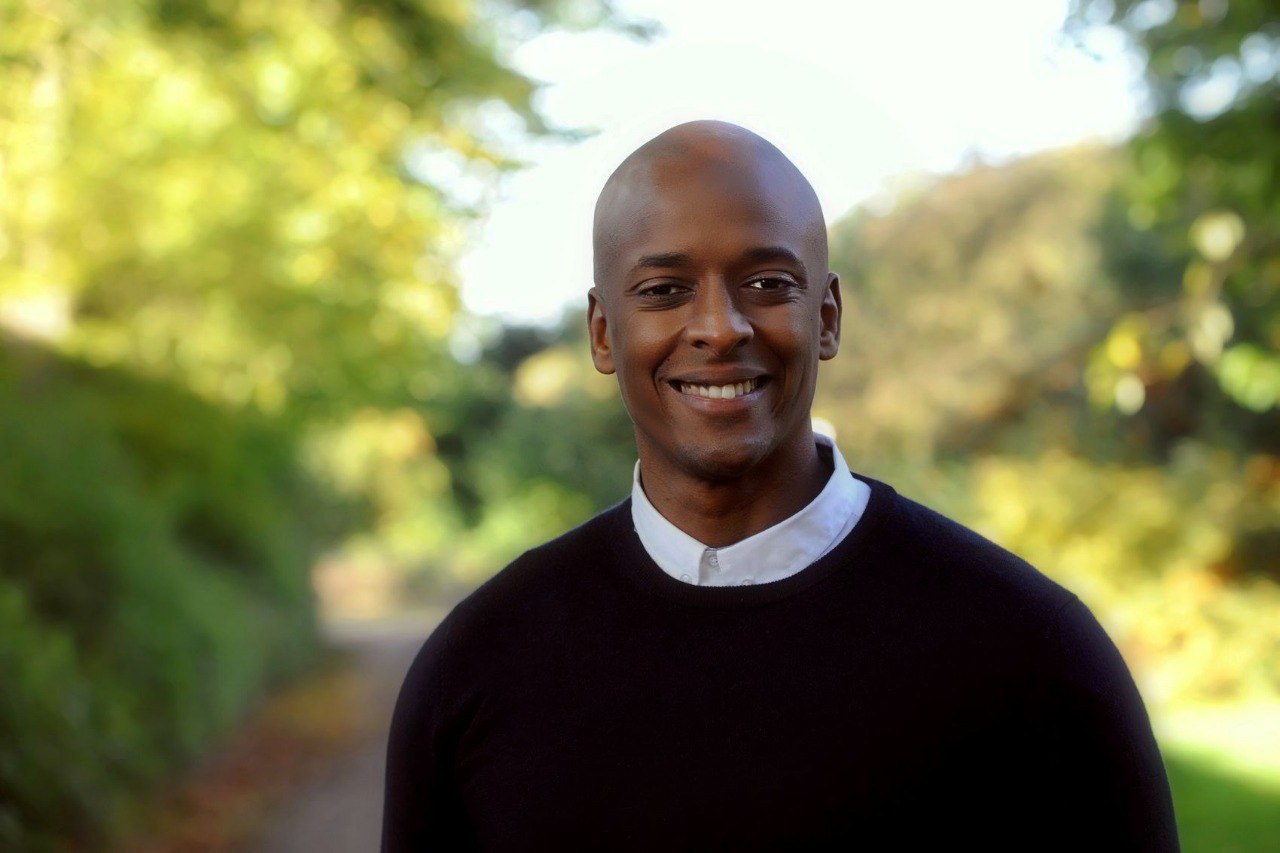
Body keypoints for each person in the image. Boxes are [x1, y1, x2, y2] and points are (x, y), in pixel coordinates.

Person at [381, 120, 1180, 850]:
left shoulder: (1032, 654)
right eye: (664, 290)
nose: (719, 326)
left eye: (767, 283)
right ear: (602, 333)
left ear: (826, 317)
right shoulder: (477, 667)